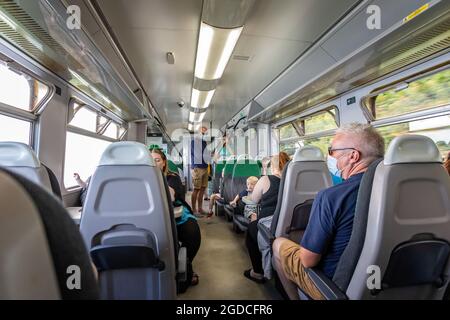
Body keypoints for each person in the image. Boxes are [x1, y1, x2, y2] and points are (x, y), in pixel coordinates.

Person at [272, 123, 385, 300]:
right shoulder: (398, 193)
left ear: (353, 156)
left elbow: (308, 260)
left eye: (332, 151)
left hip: (333, 284)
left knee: (278, 244)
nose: (329, 157)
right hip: (383, 279)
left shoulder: (331, 196)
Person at [151, 148, 202, 291]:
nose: (154, 164)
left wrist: (158, 178)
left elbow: (172, 196)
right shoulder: (139, 179)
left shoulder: (172, 177)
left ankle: (185, 265)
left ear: (164, 163)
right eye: (151, 161)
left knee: (192, 233)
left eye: (157, 160)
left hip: (177, 212)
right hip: (154, 215)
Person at [243, 153, 289, 283]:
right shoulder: (293, 181)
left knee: (251, 229)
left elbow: (254, 199)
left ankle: (257, 272)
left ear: (272, 166)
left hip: (270, 225)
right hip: (289, 224)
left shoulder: (265, 180)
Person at [191, 126, 211, 216]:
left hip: (205, 167)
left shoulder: (204, 142)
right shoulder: (194, 142)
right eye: (202, 132)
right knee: (196, 189)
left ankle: (200, 209)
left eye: (205, 133)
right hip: (197, 168)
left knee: (203, 189)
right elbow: (199, 155)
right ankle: (194, 210)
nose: (204, 134)